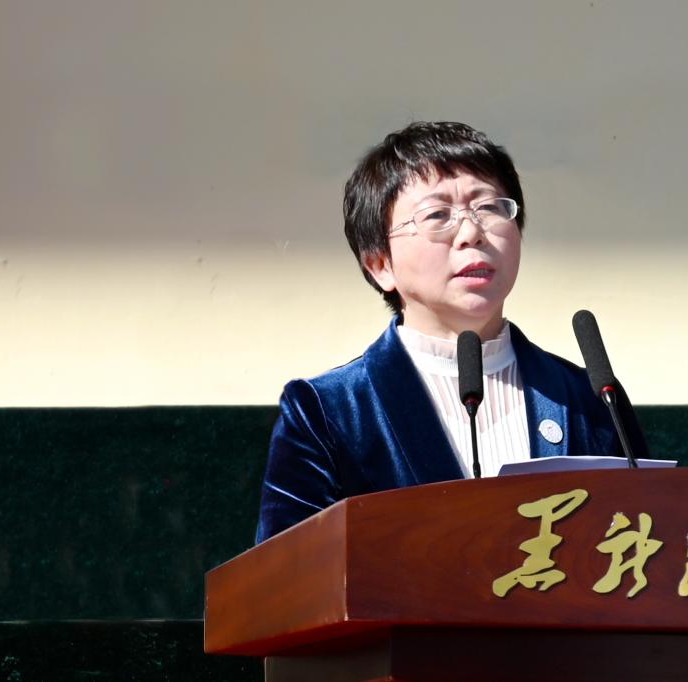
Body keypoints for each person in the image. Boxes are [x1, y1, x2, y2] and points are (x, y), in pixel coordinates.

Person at [255, 122, 646, 543]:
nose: (472, 233)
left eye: (490, 208)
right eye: (438, 215)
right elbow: (288, 572)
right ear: (380, 264)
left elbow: (645, 542)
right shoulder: (327, 411)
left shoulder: (589, 397)